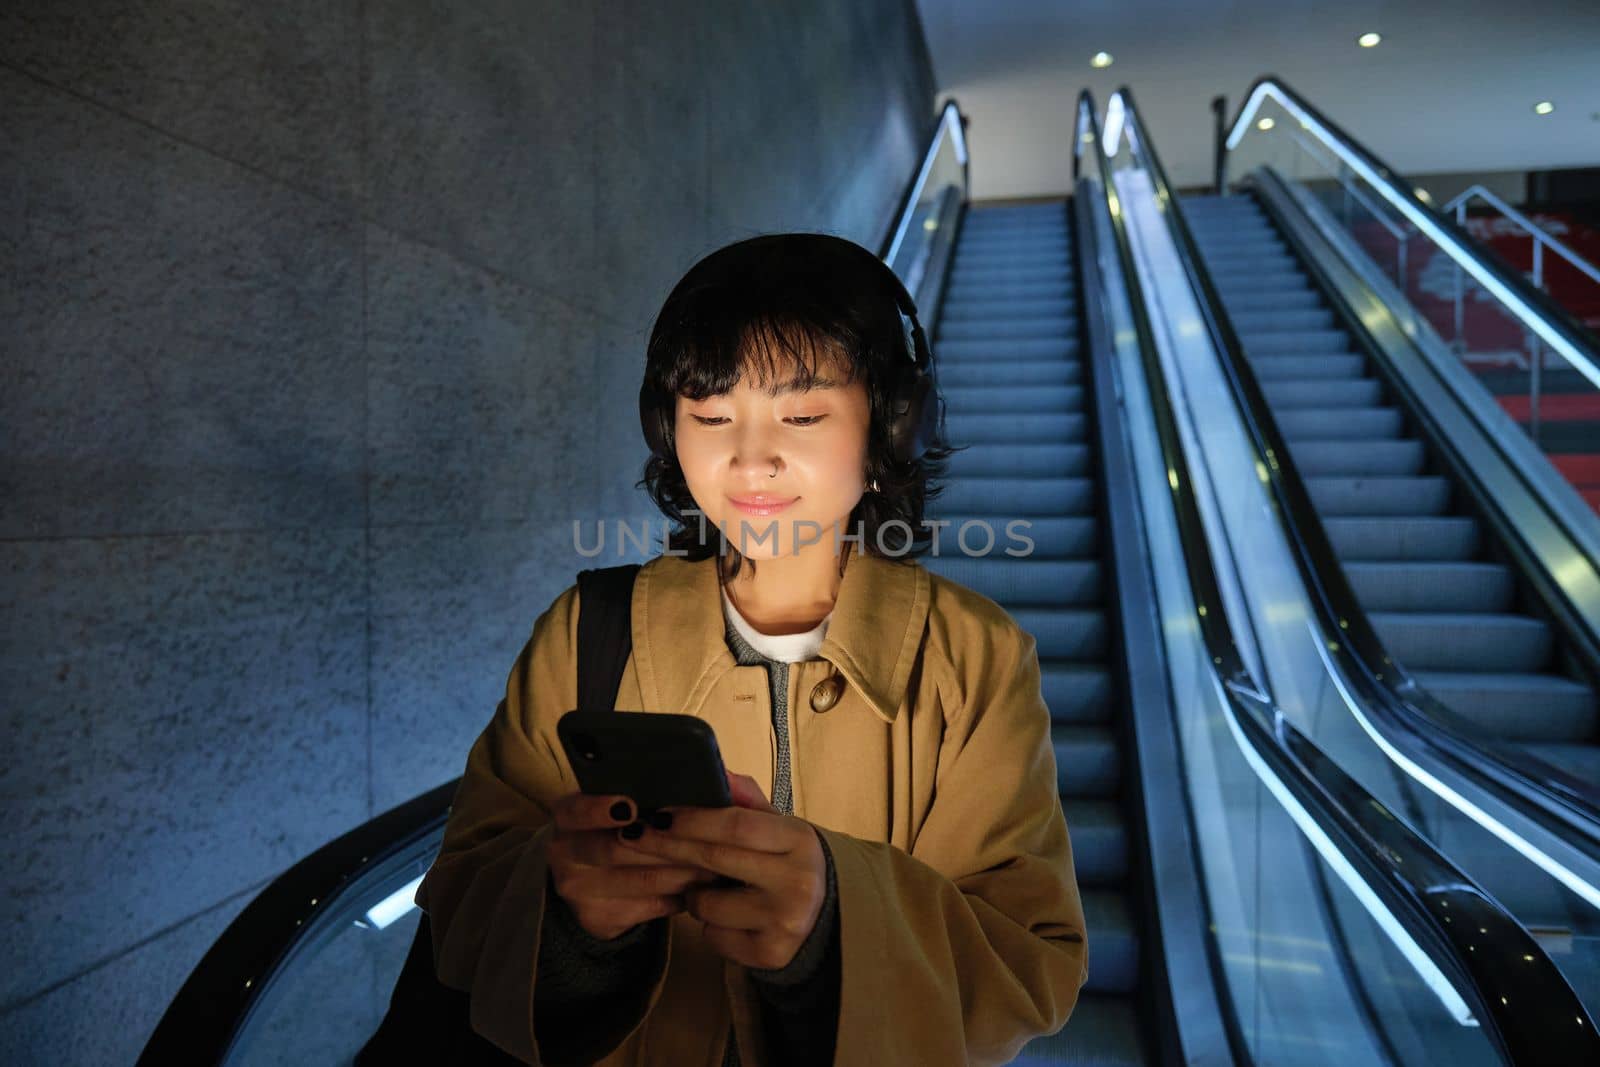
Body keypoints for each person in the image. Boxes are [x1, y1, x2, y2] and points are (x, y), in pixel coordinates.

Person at [413, 232, 1089, 1065]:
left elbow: (1031, 959)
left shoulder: (975, 656)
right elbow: (463, 898)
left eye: (802, 415)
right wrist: (567, 915)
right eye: (710, 415)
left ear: (893, 424)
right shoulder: (587, 629)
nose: (750, 458)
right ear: (668, 428)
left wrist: (835, 921)